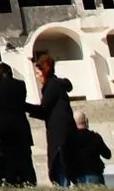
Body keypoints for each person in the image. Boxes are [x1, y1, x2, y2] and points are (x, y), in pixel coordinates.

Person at [25, 53, 75, 187]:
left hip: (58, 134)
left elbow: (44, 109)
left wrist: (24, 106)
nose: (37, 76)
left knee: (59, 167)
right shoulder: (57, 85)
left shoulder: (52, 86)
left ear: (44, 71)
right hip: (63, 132)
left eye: (38, 73)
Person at [0, 65, 35, 187]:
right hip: (21, 128)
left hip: (5, 130)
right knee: (25, 160)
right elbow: (22, 103)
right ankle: (29, 182)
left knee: (9, 161)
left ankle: (13, 183)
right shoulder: (21, 85)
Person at [67, 115, 111, 185]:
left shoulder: (70, 139)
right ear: (86, 121)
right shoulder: (95, 137)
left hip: (78, 177)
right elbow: (107, 155)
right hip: (95, 175)